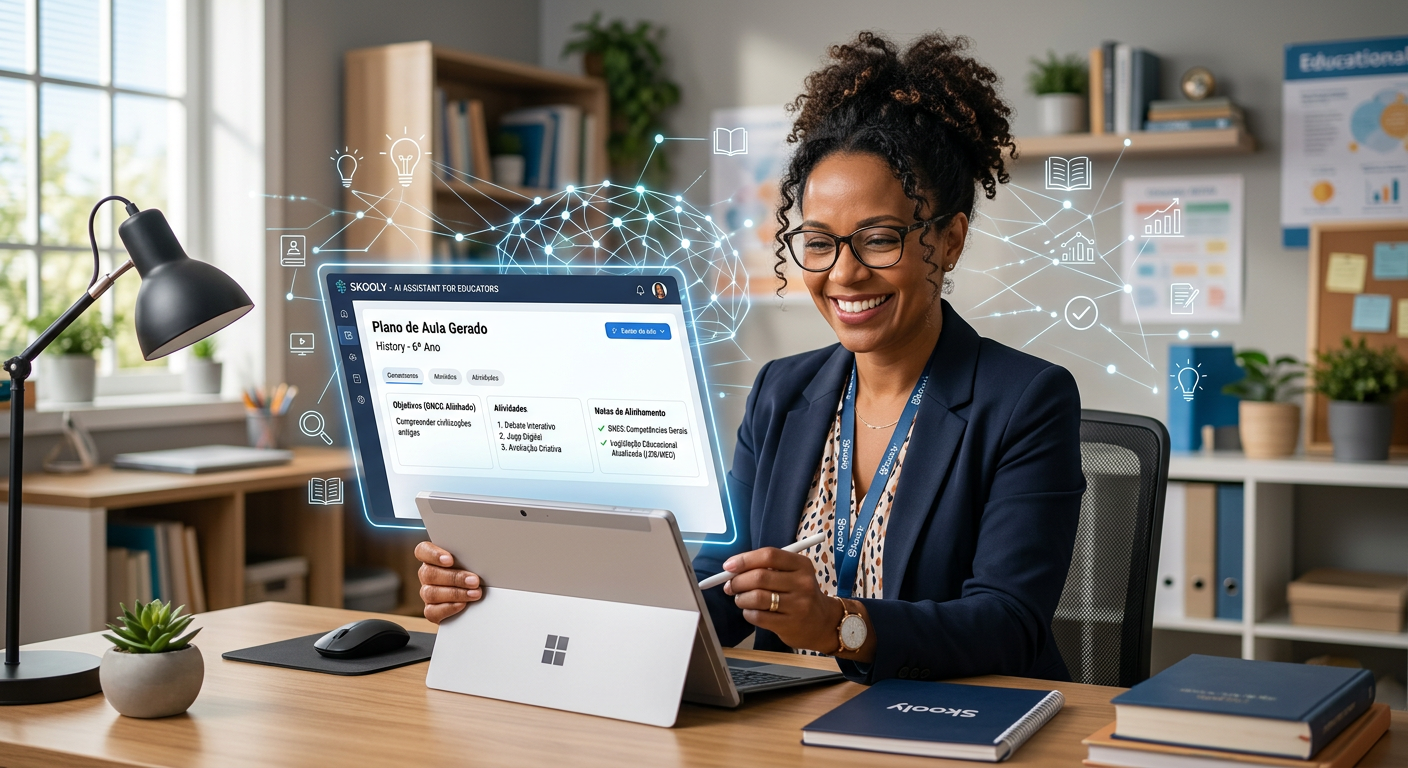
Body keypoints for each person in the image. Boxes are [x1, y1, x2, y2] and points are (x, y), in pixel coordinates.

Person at [415, 31, 1085, 684]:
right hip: (787, 728)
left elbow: (1008, 622)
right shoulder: (783, 392)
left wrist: (837, 626)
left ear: (949, 241)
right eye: (818, 243)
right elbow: (721, 585)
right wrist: (507, 592)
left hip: (950, 733)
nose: (844, 274)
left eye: (878, 240)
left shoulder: (1025, 400)